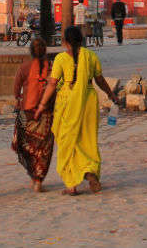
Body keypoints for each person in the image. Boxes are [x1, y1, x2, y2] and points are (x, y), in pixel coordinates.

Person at [35, 25, 117, 195]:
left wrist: (42, 104)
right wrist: (111, 95)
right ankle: (89, 171)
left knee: (67, 142)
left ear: (65, 42)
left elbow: (52, 83)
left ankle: (71, 184)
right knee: (87, 140)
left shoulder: (60, 59)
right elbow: (99, 80)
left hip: (68, 103)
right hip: (88, 101)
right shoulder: (91, 56)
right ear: (82, 41)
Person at [11, 37, 54, 192]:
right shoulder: (51, 66)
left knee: (25, 144)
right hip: (46, 112)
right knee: (44, 148)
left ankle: (32, 175)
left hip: (27, 112)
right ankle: (38, 179)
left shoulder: (24, 67)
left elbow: (16, 89)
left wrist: (18, 98)